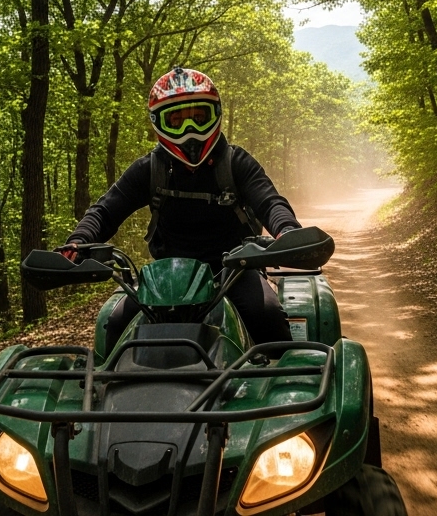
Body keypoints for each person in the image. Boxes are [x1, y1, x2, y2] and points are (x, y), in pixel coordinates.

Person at [62, 67, 301, 345]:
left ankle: (282, 385)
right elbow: (105, 211)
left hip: (234, 271)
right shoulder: (150, 169)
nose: (190, 130)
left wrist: (287, 231)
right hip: (166, 277)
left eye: (199, 118)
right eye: (177, 120)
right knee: (115, 325)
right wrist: (78, 243)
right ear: (158, 123)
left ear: (215, 115)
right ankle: (105, 389)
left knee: (267, 316)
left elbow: (270, 202)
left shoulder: (235, 163)